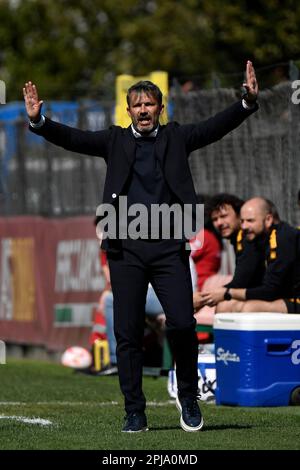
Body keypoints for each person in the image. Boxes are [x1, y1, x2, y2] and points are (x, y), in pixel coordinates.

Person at [23, 60, 258, 433]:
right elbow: (74, 138)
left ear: (160, 109)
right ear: (128, 109)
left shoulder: (177, 137)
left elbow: (215, 127)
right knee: (127, 333)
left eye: (150, 104)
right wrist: (39, 121)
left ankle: (189, 401)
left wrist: (245, 102)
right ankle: (135, 411)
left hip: (169, 250)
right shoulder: (114, 140)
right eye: (138, 105)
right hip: (126, 251)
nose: (144, 110)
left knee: (182, 324)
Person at [202, 197, 300, 314]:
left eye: (250, 221)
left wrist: (226, 293)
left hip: (294, 299)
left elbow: (269, 291)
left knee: (249, 308)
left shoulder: (282, 238)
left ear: (268, 219)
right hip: (281, 297)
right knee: (226, 306)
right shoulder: (259, 238)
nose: (244, 226)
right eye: (242, 221)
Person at [193, 193, 265, 310]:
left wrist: (203, 299)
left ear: (239, 215)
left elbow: (240, 284)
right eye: (215, 219)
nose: (219, 223)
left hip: (283, 298)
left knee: (224, 307)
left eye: (224, 216)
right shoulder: (237, 240)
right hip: (260, 294)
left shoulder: (248, 239)